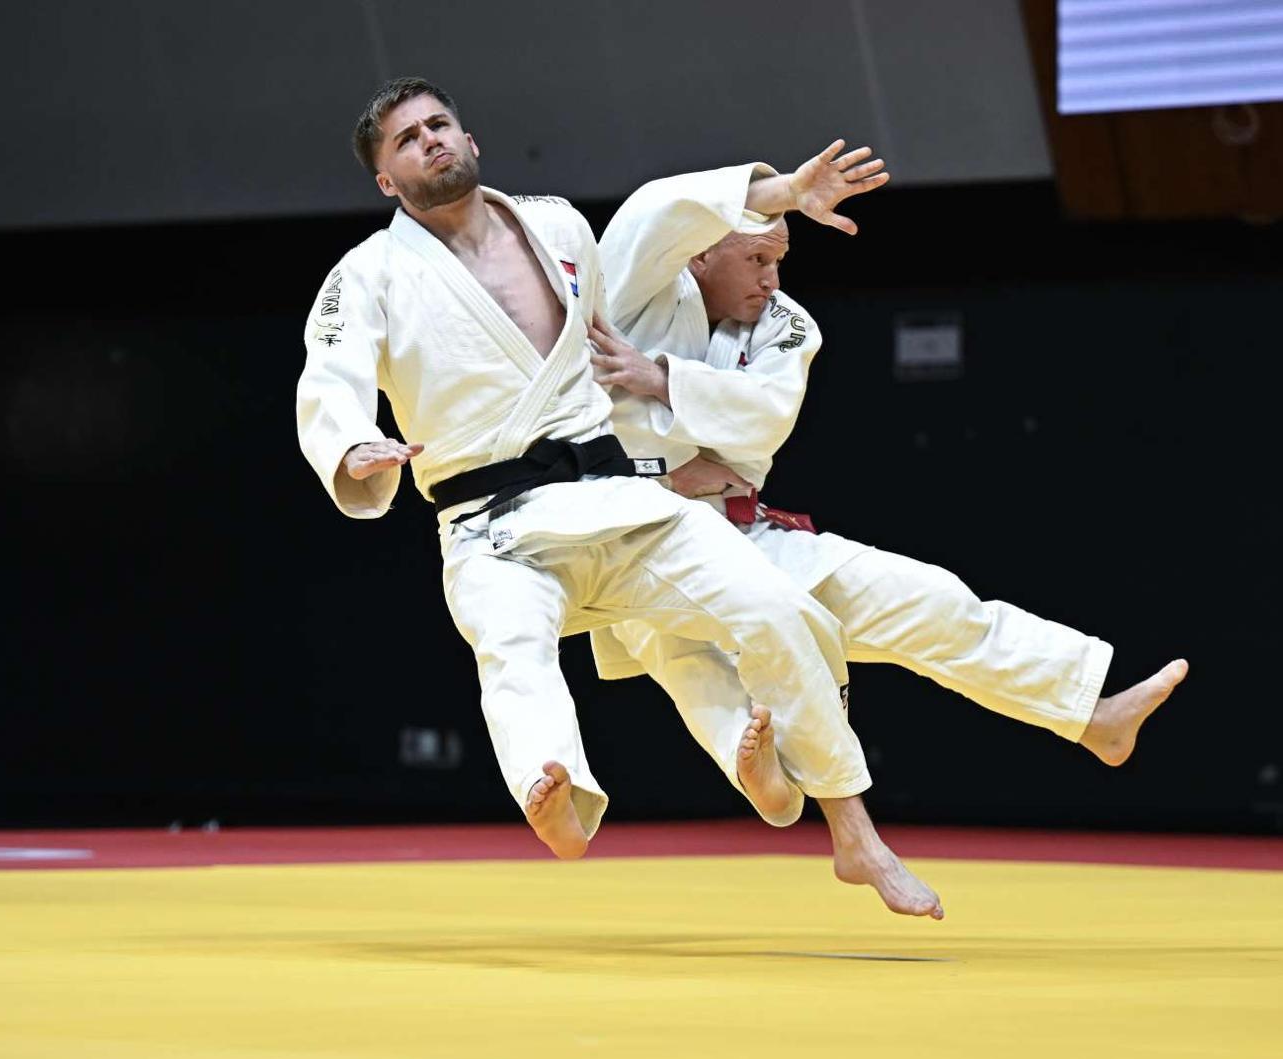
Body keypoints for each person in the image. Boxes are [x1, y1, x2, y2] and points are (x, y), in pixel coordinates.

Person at [295, 77, 941, 917]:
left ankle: (856, 838)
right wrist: (353, 445)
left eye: (439, 124)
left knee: (779, 608)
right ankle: (555, 789)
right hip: (493, 526)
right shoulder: (367, 274)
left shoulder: (559, 226)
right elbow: (330, 374)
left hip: (618, 501)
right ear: (387, 179)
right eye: (407, 140)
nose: (431, 141)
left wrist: (782, 193)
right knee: (512, 647)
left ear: (470, 138)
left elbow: (656, 252)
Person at [588, 156, 1188, 826]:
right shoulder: (635, 288)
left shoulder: (785, 323)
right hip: (623, 538)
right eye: (756, 258)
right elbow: (657, 212)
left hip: (733, 532)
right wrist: (784, 190)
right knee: (688, 656)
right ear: (700, 253)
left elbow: (762, 421)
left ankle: (1088, 713)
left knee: (926, 598)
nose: (771, 279)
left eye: (779, 260)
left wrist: (662, 381)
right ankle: (760, 771)